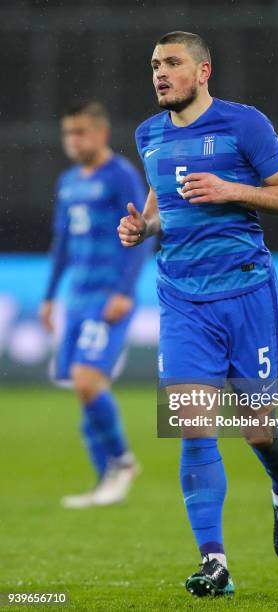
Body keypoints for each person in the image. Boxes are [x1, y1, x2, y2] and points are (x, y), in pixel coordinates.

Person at [118, 31, 278, 597]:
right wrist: (143, 227)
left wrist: (232, 189)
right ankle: (215, 563)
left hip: (246, 292)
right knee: (193, 422)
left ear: (203, 72)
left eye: (173, 63)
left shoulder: (244, 124)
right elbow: (163, 205)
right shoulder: (148, 134)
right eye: (155, 64)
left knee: (257, 430)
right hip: (181, 297)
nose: (160, 73)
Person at [40, 101, 150, 508]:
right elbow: (62, 244)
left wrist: (124, 290)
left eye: (81, 132)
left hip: (108, 298)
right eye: (68, 132)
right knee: (83, 388)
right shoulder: (68, 181)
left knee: (87, 381)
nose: (73, 140)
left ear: (101, 134)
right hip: (76, 298)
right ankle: (106, 476)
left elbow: (144, 232)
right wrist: (50, 296)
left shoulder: (121, 175)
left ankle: (122, 463)